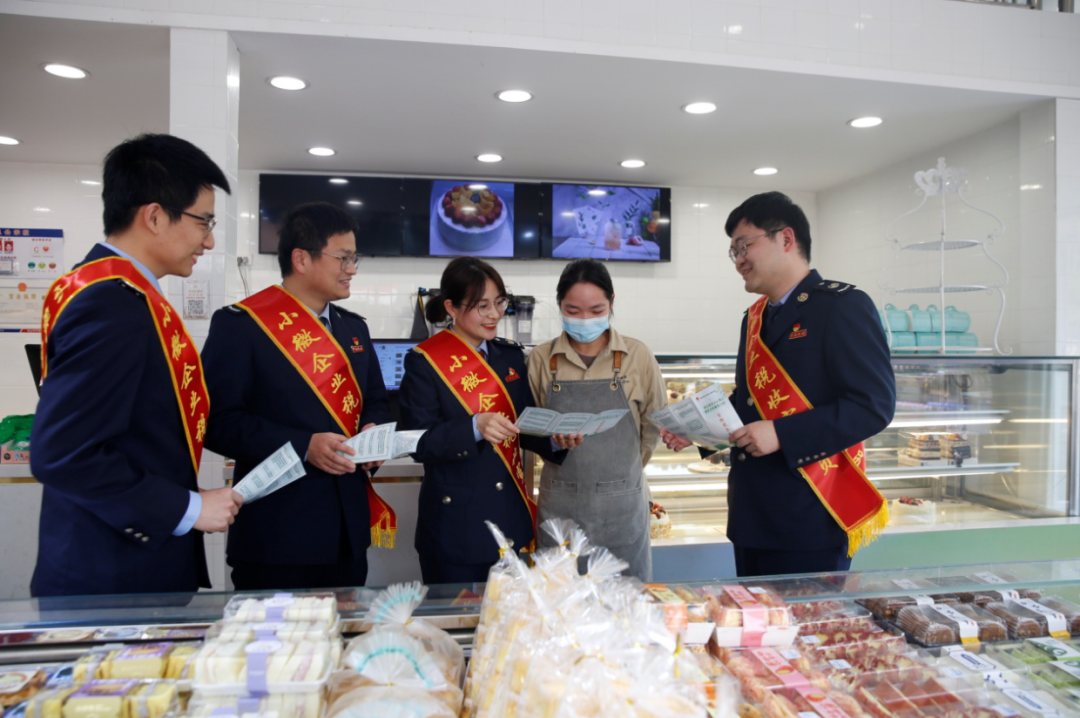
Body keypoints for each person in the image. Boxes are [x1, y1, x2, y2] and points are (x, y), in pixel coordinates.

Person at [30, 133, 241, 597]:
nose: (208, 241)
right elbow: (64, 453)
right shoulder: (111, 304)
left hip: (124, 564)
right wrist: (188, 508)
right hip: (111, 577)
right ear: (155, 216)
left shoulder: (112, 290)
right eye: (204, 221)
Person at [661, 191, 895, 577]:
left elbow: (872, 406)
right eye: (733, 251)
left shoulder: (841, 306)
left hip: (809, 516)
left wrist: (782, 434)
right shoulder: (754, 317)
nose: (739, 260)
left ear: (785, 239)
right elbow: (749, 400)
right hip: (752, 514)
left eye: (744, 246)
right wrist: (699, 431)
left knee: (805, 617)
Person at [201, 202, 395, 590]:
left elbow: (377, 399)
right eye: (343, 258)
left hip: (346, 533)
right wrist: (303, 446)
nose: (352, 269)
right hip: (277, 536)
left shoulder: (353, 329)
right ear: (301, 258)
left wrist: (374, 430)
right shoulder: (242, 326)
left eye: (354, 259)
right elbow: (216, 422)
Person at [399, 257, 580, 584]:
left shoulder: (509, 355)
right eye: (482, 306)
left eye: (499, 303)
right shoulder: (424, 361)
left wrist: (555, 440)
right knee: (458, 613)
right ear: (451, 307)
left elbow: (523, 424)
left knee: (510, 614)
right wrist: (474, 427)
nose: (494, 314)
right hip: (456, 526)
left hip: (508, 518)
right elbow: (416, 442)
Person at [527, 258, 667, 581]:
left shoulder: (638, 356)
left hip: (623, 507)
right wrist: (553, 444)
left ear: (612, 303)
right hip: (559, 506)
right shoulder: (540, 359)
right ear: (560, 306)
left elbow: (653, 426)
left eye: (596, 310)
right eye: (573, 311)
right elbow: (530, 432)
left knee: (625, 601)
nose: (585, 320)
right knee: (560, 600)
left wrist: (621, 470)